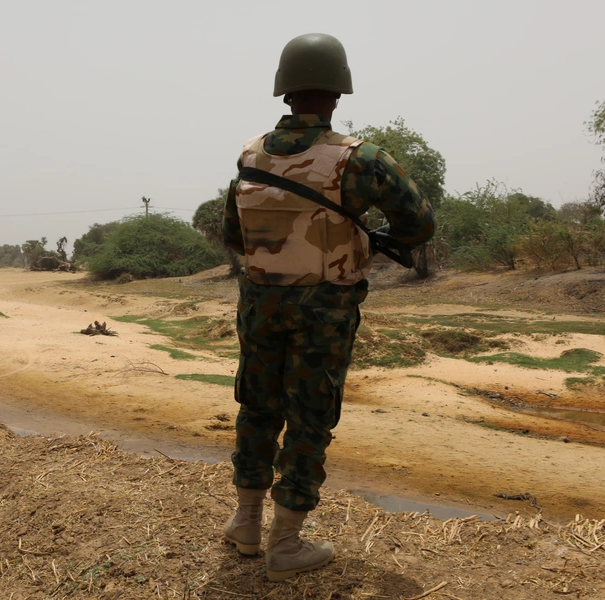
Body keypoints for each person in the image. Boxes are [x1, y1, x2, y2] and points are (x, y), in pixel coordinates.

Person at [221, 33, 436, 582]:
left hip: (259, 303)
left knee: (258, 405)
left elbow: (232, 234)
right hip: (326, 309)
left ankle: (245, 523)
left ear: (284, 92)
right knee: (310, 414)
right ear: (337, 92)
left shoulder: (249, 154)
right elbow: (419, 223)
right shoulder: (359, 158)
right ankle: (285, 544)